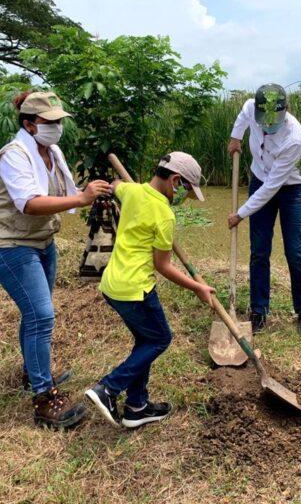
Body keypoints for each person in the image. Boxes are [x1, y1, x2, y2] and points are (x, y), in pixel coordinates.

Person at [0, 91, 113, 430]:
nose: (57, 127)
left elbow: (62, 191)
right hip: (9, 245)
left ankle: (32, 371)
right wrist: (82, 199)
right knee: (41, 314)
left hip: (41, 242)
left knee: (34, 313)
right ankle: (44, 399)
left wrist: (89, 194)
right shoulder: (13, 155)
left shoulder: (51, 151)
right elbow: (28, 202)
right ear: (29, 124)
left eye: (59, 122)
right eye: (49, 122)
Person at [85, 152, 215, 429]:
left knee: (145, 342)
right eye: (187, 191)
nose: (185, 198)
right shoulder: (165, 215)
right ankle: (108, 388)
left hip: (112, 285)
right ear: (176, 181)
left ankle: (137, 407)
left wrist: (123, 185)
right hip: (136, 289)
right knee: (159, 339)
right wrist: (198, 288)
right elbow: (163, 266)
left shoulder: (132, 191)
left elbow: (117, 183)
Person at [227, 84, 301, 336]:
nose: (266, 126)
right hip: (259, 176)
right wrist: (236, 137)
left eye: (271, 122)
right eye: (262, 121)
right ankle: (259, 310)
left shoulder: (295, 138)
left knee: (295, 250)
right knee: (259, 249)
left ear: (285, 111)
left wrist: (240, 213)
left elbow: (271, 188)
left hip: (292, 189)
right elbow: (244, 115)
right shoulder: (250, 108)